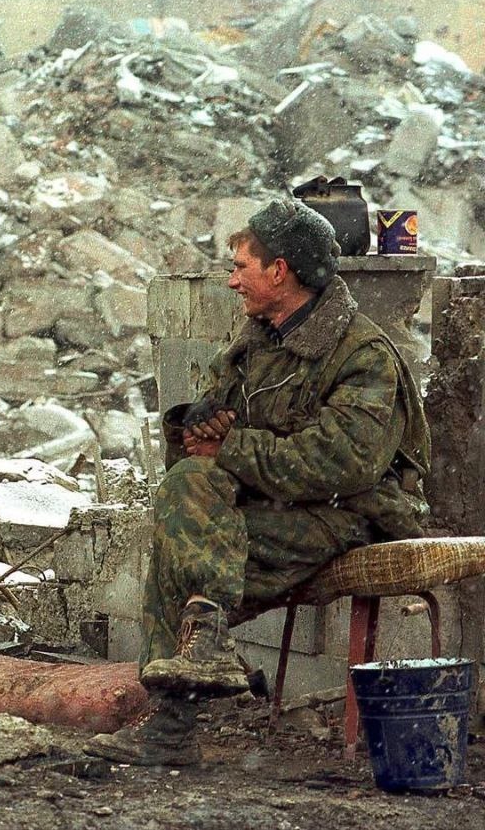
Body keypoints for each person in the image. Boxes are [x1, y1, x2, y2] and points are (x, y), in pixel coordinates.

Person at [86, 199, 430, 766]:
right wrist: (194, 428)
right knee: (188, 496)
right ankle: (205, 644)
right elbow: (210, 443)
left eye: (241, 267)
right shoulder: (254, 343)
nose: (232, 281)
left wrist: (231, 447)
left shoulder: (362, 355)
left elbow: (343, 463)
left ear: (279, 271)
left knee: (182, 547)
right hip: (273, 505)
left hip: (346, 515)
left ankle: (172, 722)